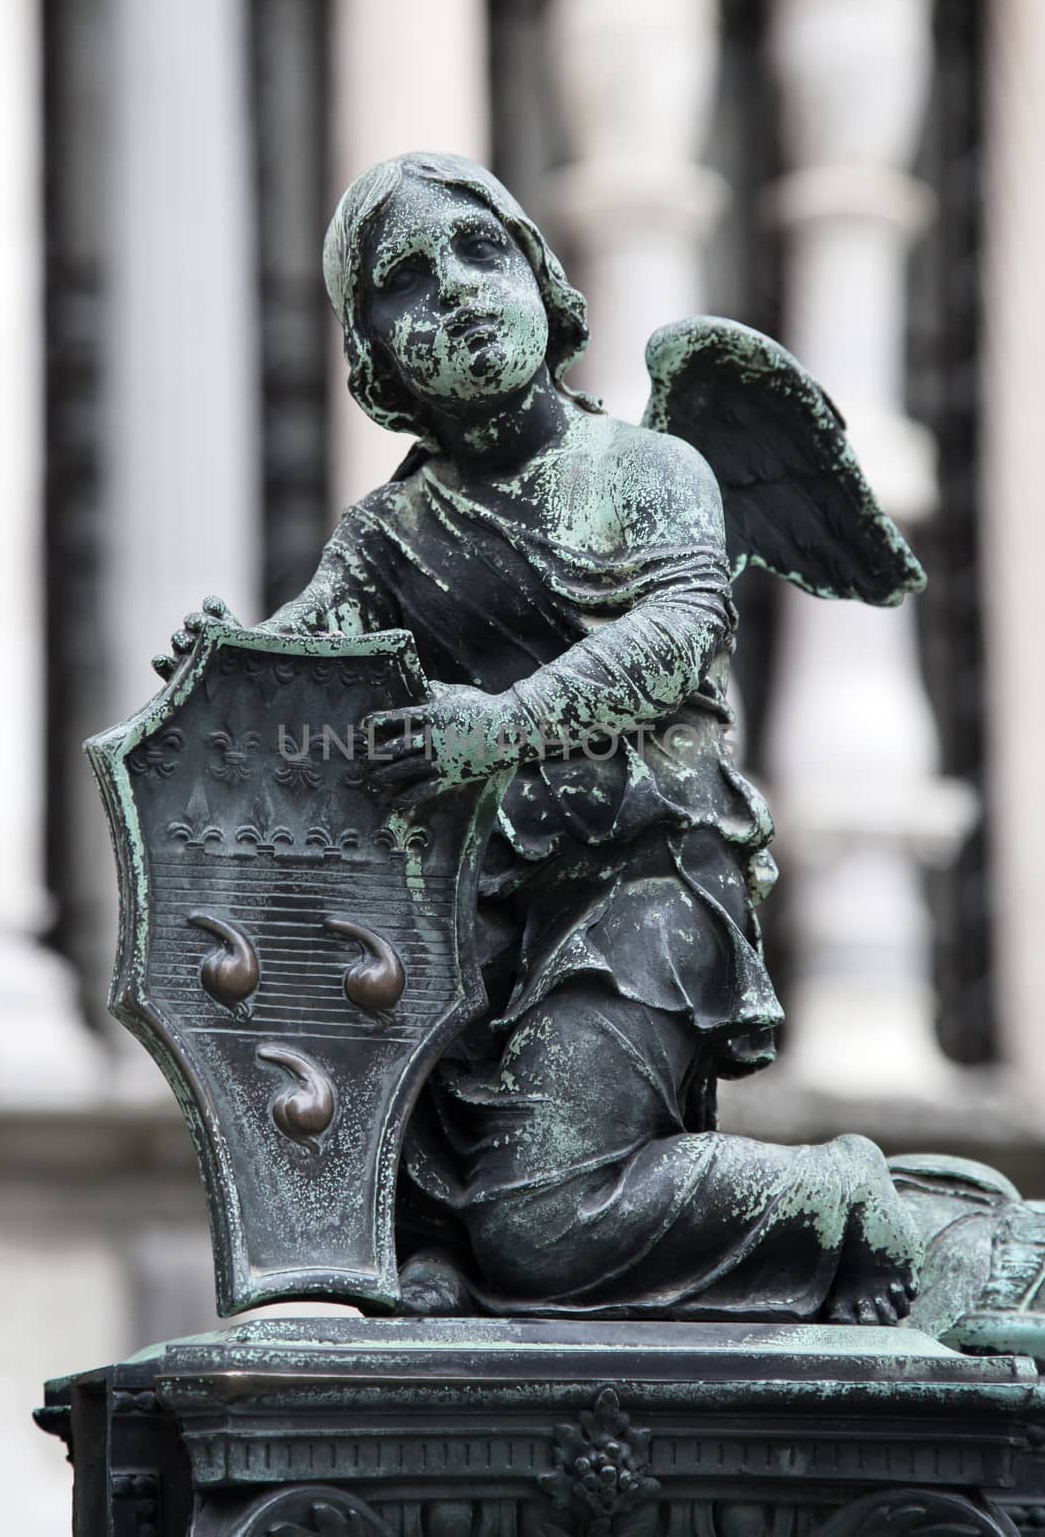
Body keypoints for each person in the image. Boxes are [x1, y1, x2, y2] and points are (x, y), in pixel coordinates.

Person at [161, 153, 921, 1325]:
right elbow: (306, 669)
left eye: (479, 250)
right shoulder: (389, 533)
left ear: (543, 274)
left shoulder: (651, 468)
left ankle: (843, 1200)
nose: (455, 290)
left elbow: (679, 630)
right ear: (368, 353)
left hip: (642, 883)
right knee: (387, 1034)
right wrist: (229, 667)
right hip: (474, 908)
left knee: (548, 1218)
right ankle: (433, 1242)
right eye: (405, 281)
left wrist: (500, 725)